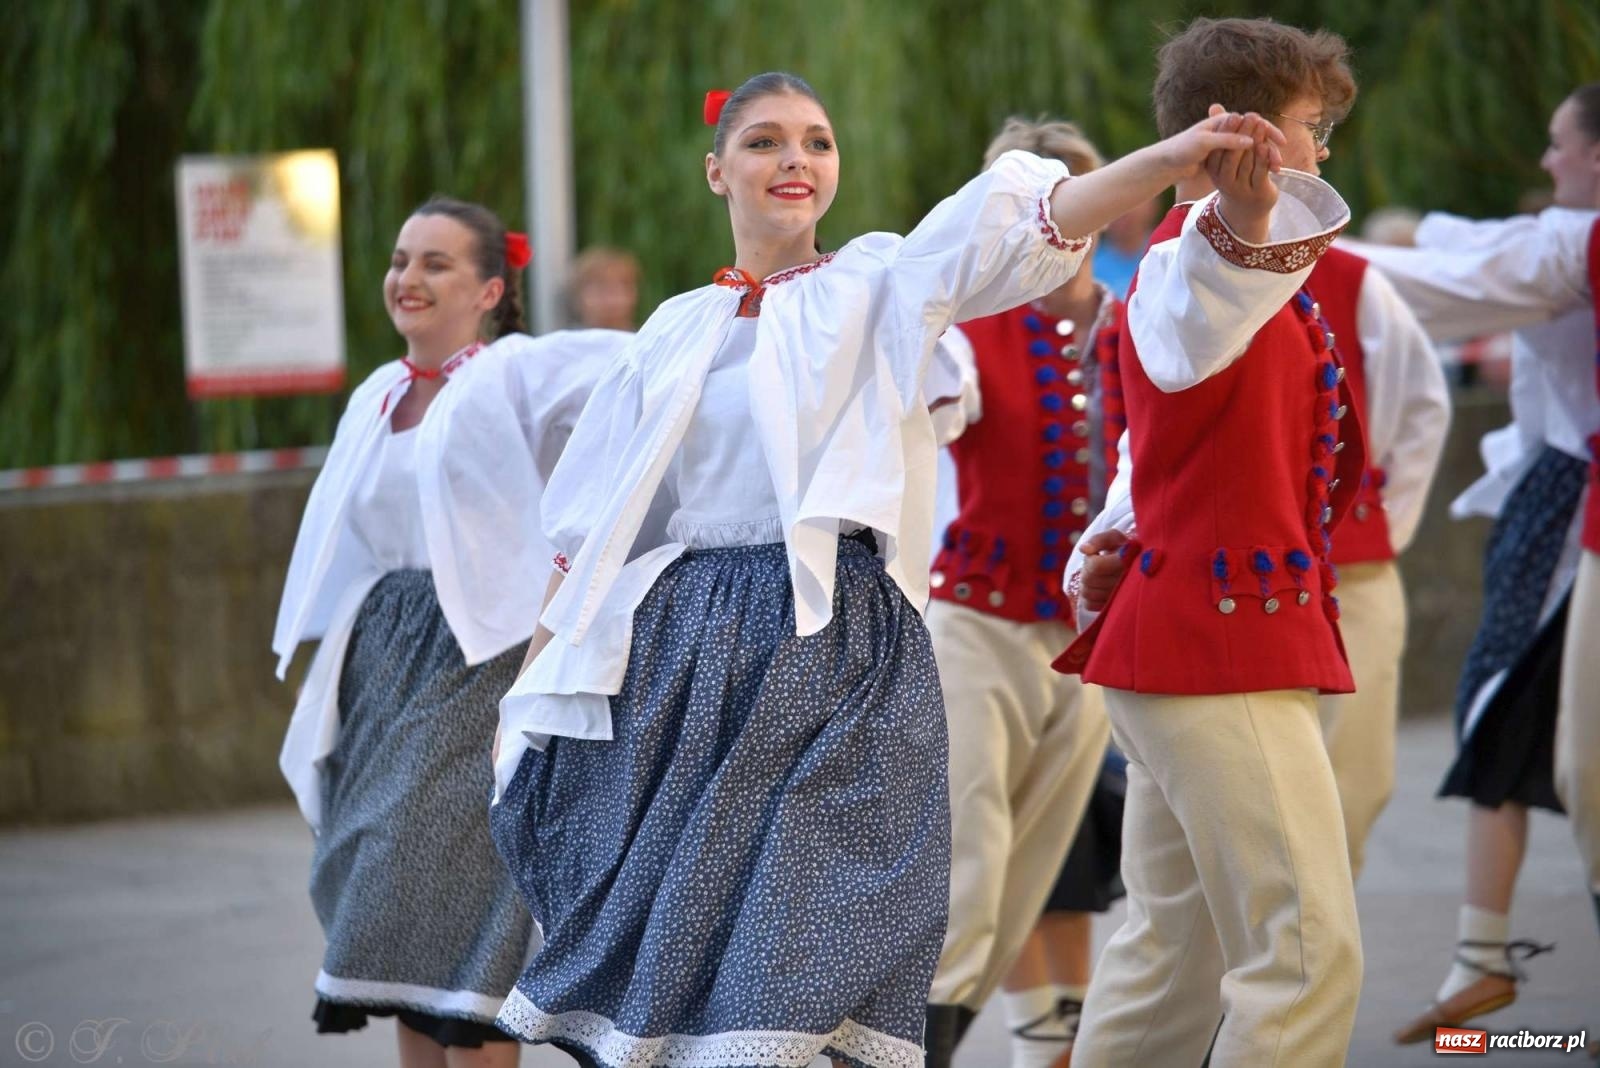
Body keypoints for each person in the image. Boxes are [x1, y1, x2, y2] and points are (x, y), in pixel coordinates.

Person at [487, 70, 1280, 1068]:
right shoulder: (673, 328)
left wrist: (1166, 163)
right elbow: (591, 528)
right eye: (767, 141)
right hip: (687, 660)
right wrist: (531, 699)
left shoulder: (877, 283)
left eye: (816, 142)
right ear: (715, 171)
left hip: (837, 647)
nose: (794, 161)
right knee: (685, 965)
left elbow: (1018, 224)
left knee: (802, 947)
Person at [1051, 17, 1368, 1066]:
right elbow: (1208, 314)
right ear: (1236, 134)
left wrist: (1111, 538)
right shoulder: (1202, 258)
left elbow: (1155, 446)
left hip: (1193, 641)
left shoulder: (1205, 271)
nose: (1320, 152)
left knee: (1165, 960)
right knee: (1306, 954)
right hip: (1216, 650)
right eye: (1309, 128)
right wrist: (1242, 199)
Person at [272, 197, 628, 1068]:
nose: (409, 277)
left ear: (489, 288)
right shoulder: (378, 394)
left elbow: (644, 365)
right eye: (401, 260)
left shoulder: (511, 372)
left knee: (464, 912)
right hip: (383, 667)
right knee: (396, 913)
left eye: (436, 263)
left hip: (478, 665)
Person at [1339, 83, 1600, 1046]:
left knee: (1530, 732)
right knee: (1514, 725)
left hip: (1571, 512)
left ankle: (1482, 960)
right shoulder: (1565, 243)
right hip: (1554, 506)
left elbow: (1452, 278)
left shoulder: (1574, 248)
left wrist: (1260, 227)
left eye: (1557, 144)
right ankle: (1479, 959)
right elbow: (1466, 250)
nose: (1545, 161)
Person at [920, 116, 1123, 1068]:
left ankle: (960, 1038)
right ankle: (915, 1039)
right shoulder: (969, 334)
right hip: (979, 622)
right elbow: (933, 404)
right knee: (971, 856)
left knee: (1037, 864)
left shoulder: (1136, 326)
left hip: (1085, 643)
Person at [567, 246, 641, 331]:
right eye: (600, 288)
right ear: (578, 295)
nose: (611, 297)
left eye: (622, 287)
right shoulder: (562, 342)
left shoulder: (647, 341)